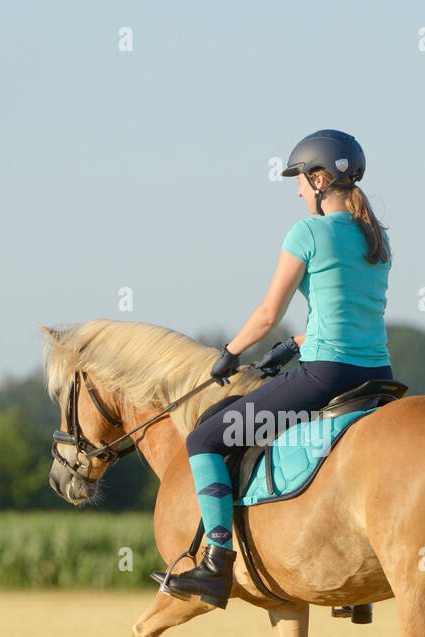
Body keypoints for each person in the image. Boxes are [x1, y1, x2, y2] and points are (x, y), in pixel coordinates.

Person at [154, 129, 394, 608]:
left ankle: (215, 562)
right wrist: (293, 345)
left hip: (324, 377)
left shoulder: (308, 232)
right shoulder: (377, 238)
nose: (298, 190)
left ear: (322, 179)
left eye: (302, 180)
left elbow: (266, 312)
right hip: (378, 377)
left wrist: (231, 351)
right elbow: (350, 318)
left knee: (205, 438)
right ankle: (356, 588)